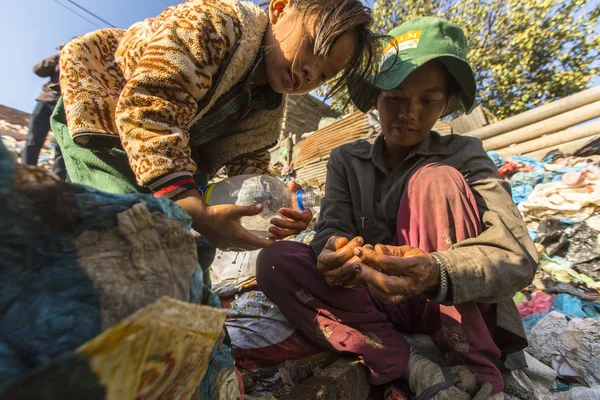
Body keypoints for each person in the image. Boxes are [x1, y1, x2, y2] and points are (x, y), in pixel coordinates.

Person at [256, 17, 538, 398]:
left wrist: (436, 272)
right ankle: (407, 360)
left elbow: (516, 254)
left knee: (435, 180)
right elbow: (332, 226)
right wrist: (334, 254)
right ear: (376, 97)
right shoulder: (345, 159)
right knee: (276, 261)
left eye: (429, 101)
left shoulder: (464, 154)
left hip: (447, 304)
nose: (410, 113)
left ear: (448, 104)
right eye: (396, 99)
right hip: (375, 302)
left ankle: (468, 362)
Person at [51, 0, 380, 252]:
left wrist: (272, 213)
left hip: (173, 145)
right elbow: (148, 107)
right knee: (123, 224)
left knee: (194, 248)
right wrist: (193, 208)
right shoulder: (212, 26)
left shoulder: (268, 109)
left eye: (324, 75)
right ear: (280, 9)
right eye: (312, 49)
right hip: (109, 102)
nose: (311, 73)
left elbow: (246, 172)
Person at [22, 46, 67, 180]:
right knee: (33, 139)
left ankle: (58, 180)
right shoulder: (58, 60)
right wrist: (57, 56)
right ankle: (26, 174)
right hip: (46, 100)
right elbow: (38, 70)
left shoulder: (83, 61)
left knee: (62, 145)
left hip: (65, 106)